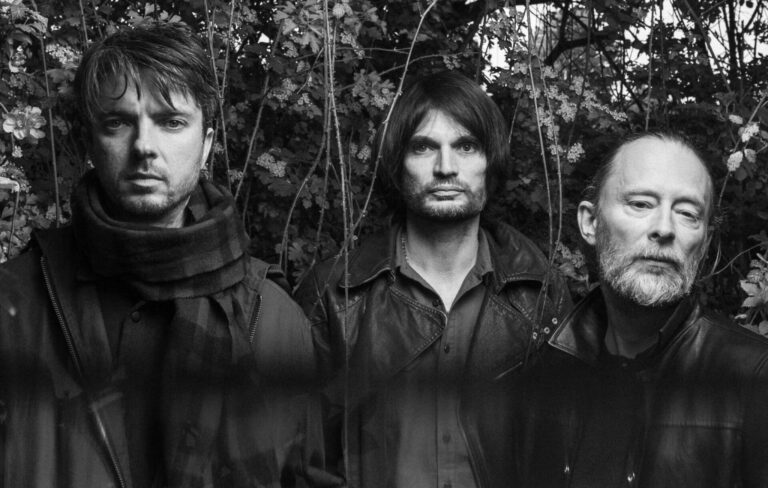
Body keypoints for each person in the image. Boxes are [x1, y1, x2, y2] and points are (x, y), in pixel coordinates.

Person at [0, 22, 323, 488]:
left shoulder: (273, 317)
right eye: (118, 122)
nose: (144, 147)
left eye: (171, 121)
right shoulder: (14, 303)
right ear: (91, 142)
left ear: (207, 142)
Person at [296, 70, 571, 488]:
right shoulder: (332, 294)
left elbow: (564, 451)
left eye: (465, 146)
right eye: (424, 148)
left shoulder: (540, 295)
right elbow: (301, 460)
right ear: (398, 164)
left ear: (490, 161)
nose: (446, 167)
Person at [516, 133, 768, 487]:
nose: (664, 228)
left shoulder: (754, 380)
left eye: (687, 213)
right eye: (640, 204)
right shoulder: (545, 376)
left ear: (705, 243)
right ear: (590, 223)